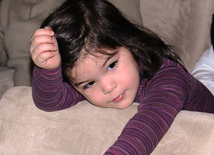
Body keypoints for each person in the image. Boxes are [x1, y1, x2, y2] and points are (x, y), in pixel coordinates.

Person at [30, 0, 214, 154]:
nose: (108, 87)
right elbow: (49, 101)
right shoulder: (93, 77)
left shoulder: (169, 79)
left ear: (132, 45)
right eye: (89, 84)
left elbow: (147, 127)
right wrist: (48, 69)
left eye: (112, 65)